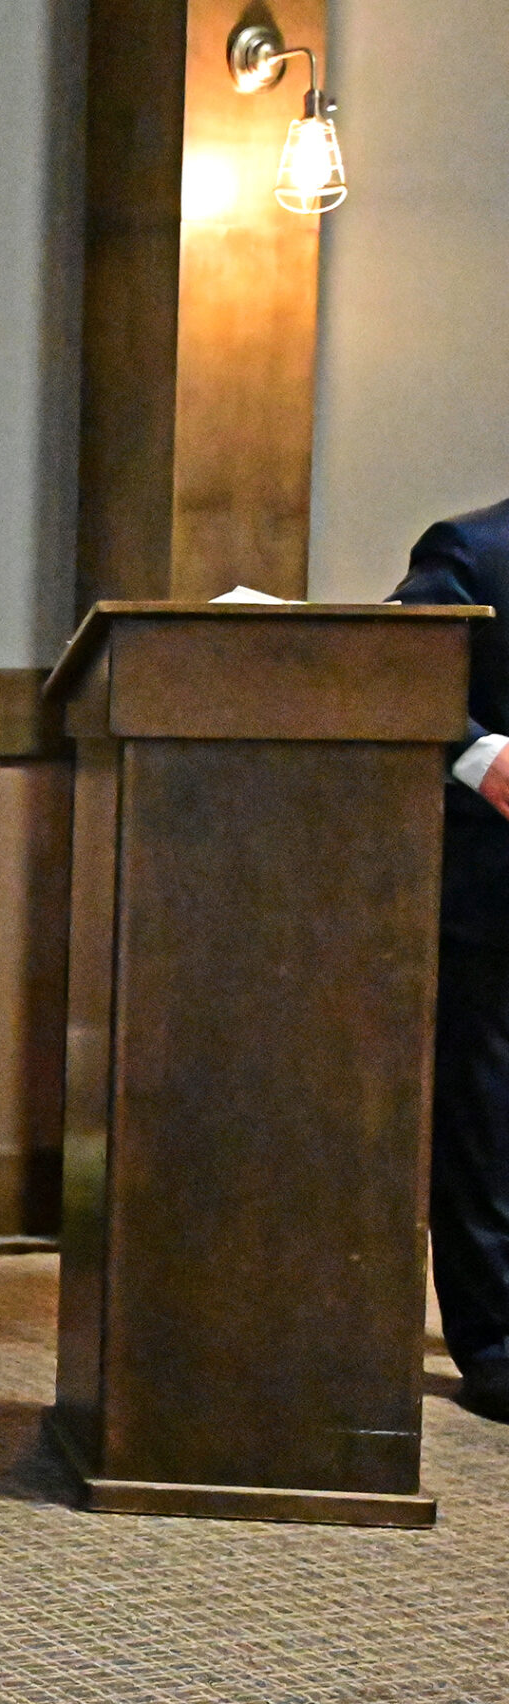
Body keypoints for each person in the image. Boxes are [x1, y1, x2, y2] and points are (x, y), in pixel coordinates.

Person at [390, 496, 509, 1427]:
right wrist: (484, 757)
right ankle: (499, 1345)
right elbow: (396, 681)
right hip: (496, 892)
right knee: (488, 1128)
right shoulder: (471, 549)